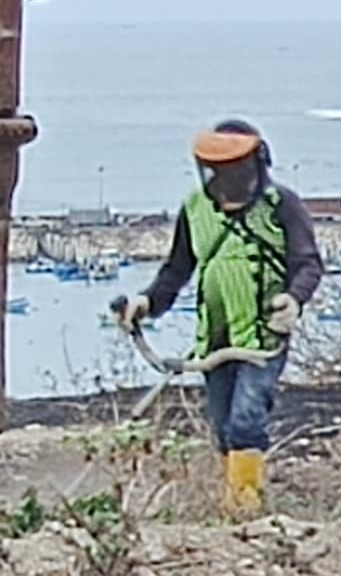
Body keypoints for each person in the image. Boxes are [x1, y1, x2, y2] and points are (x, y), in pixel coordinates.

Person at [109, 120, 325, 520]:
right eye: (216, 170)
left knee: (246, 420)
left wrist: (293, 300)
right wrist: (146, 303)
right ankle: (233, 504)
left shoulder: (280, 205)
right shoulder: (196, 208)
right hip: (215, 338)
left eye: (233, 170)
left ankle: (246, 508)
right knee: (224, 427)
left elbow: (308, 263)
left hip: (262, 336)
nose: (225, 179)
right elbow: (177, 270)